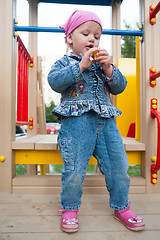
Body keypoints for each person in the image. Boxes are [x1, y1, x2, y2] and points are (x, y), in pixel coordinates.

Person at [48, 10, 145, 233]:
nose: (92, 39)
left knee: (119, 166)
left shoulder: (103, 66)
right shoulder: (64, 62)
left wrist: (109, 68)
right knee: (75, 169)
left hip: (106, 123)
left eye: (97, 36)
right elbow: (55, 82)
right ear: (70, 38)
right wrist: (80, 66)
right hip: (77, 125)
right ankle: (70, 208)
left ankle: (122, 207)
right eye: (86, 33)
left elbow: (119, 87)